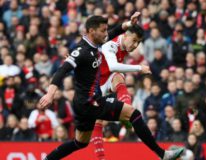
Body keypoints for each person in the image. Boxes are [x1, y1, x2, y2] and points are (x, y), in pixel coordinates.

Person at [39, 14, 183, 160]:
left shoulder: (95, 43)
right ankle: (162, 154)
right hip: (91, 103)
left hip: (83, 103)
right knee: (134, 114)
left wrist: (127, 24)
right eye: (103, 30)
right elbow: (61, 71)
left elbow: (114, 32)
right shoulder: (81, 51)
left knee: (80, 143)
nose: (106, 33)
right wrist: (50, 94)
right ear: (91, 31)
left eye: (106, 30)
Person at [91, 24, 151, 160]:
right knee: (97, 120)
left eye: (139, 42)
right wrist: (139, 68)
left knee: (119, 77)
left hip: (108, 78)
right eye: (134, 40)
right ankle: (101, 157)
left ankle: (127, 112)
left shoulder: (124, 46)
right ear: (126, 35)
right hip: (95, 84)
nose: (135, 45)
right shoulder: (111, 44)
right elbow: (112, 66)